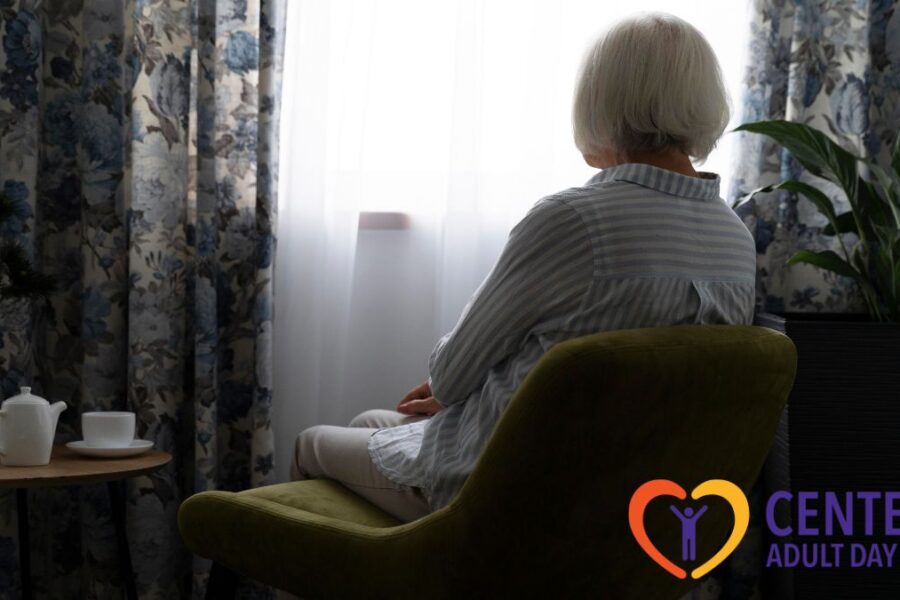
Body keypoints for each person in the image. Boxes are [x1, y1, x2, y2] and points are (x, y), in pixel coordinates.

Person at [291, 11, 755, 523]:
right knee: (373, 423)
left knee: (312, 444)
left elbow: (450, 374)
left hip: (512, 486)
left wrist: (452, 388)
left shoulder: (574, 220)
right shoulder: (736, 240)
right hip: (635, 501)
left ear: (600, 99)